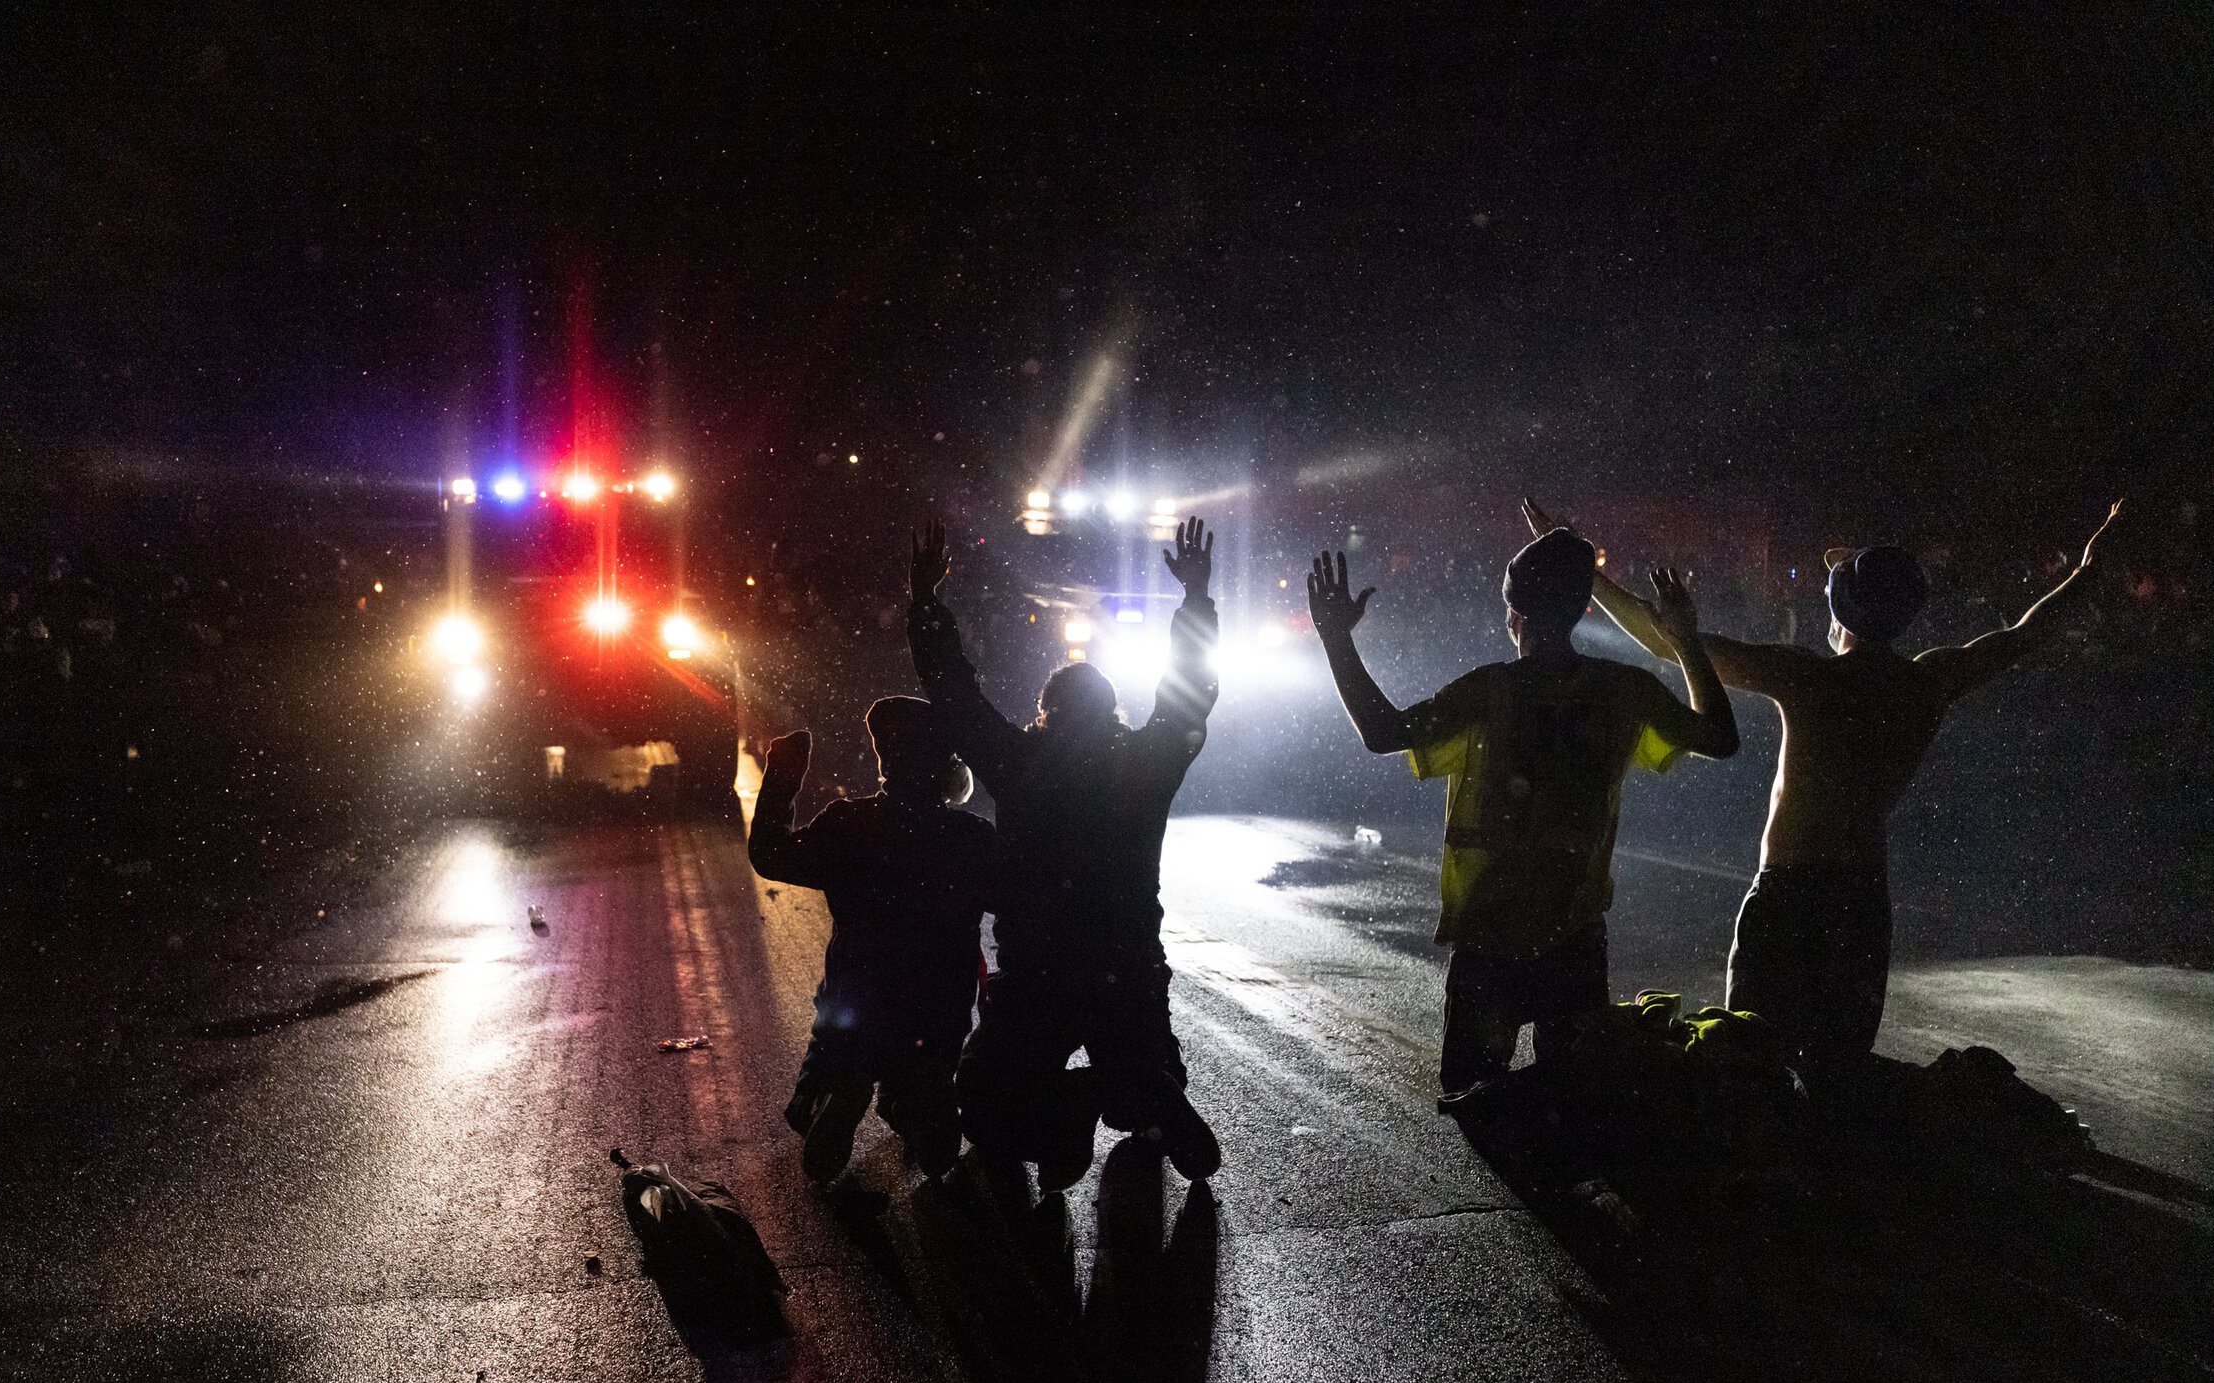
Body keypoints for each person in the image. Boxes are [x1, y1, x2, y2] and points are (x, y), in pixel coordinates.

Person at [1572, 495, 2121, 1087]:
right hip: (1861, 897)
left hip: (1788, 892)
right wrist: (2087, 574)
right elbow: (2026, 633)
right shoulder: (1927, 681)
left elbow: (1664, 642)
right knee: (1838, 1072)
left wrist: (1583, 574)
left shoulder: (1808, 677)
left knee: (1747, 1061)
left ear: (1840, 617)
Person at [1307, 522, 1740, 1108]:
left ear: (1514, 615)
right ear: (1582, 609)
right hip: (1575, 935)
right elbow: (1720, 737)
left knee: (1473, 1098)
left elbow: (1383, 732)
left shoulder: (1488, 691)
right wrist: (1685, 641)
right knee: (1573, 1099)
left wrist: (1336, 639)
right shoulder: (1623, 690)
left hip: (1492, 935)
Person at [906, 514, 1225, 1191]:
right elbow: (1190, 694)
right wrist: (1195, 599)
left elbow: (957, 696)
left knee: (985, 1108)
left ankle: (1072, 1107)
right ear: (1112, 713)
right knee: (1140, 1091)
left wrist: (926, 604)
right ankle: (1140, 1091)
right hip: (1127, 965)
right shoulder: (1145, 762)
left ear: (1044, 712)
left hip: (1040, 971)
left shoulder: (1022, 762)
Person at [747, 697, 995, 1184]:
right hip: (939, 1006)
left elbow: (771, 855)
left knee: (831, 1061)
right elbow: (1017, 899)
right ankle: (924, 1096)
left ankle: (835, 1089)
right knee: (923, 1068)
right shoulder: (972, 837)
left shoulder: (849, 823)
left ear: (886, 760)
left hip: (861, 997)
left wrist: (783, 776)